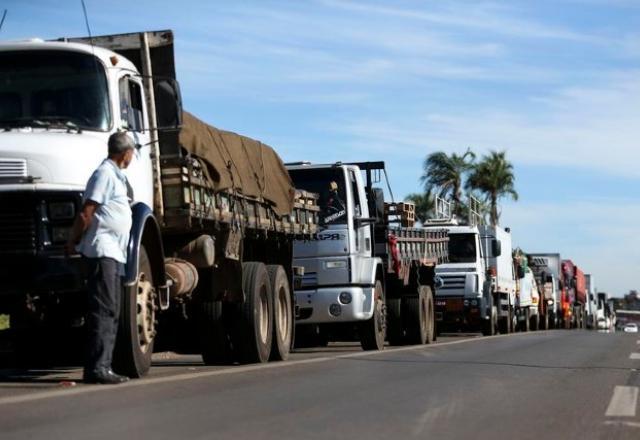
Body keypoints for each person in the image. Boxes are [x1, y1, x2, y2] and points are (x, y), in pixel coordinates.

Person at [65, 132, 135, 384]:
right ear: (125, 153)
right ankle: (97, 368)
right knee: (104, 309)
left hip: (114, 253)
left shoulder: (116, 175)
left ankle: (103, 365)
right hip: (102, 251)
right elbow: (87, 213)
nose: (133, 156)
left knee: (111, 309)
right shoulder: (104, 174)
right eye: (132, 152)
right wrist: (73, 241)